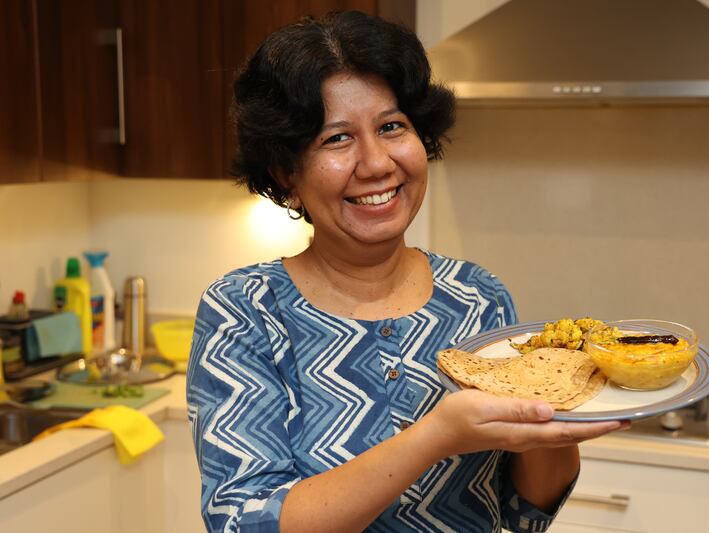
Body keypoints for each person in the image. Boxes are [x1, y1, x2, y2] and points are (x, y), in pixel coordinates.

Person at [187, 10, 627, 533]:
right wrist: (435, 436)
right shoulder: (244, 312)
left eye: (392, 126)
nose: (376, 163)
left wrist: (558, 421)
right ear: (286, 174)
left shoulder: (478, 295)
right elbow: (244, 523)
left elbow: (524, 510)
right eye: (336, 139)